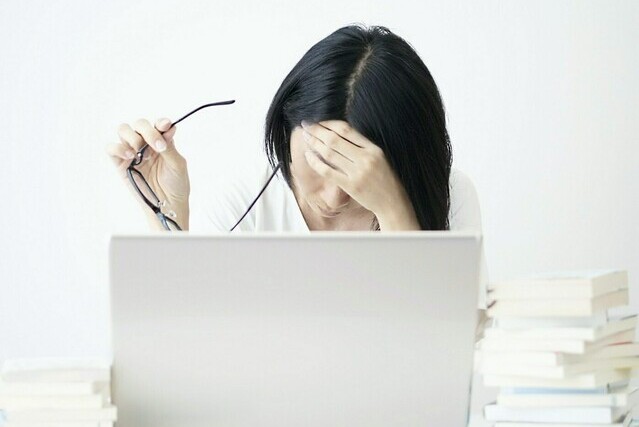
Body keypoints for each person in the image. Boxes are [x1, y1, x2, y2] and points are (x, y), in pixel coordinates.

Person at [105, 24, 489, 315]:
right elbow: (189, 341)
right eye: (320, 162)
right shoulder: (244, 202)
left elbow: (458, 352)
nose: (333, 197)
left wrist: (394, 212)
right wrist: (167, 217)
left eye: (357, 172)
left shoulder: (450, 194)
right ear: (286, 130)